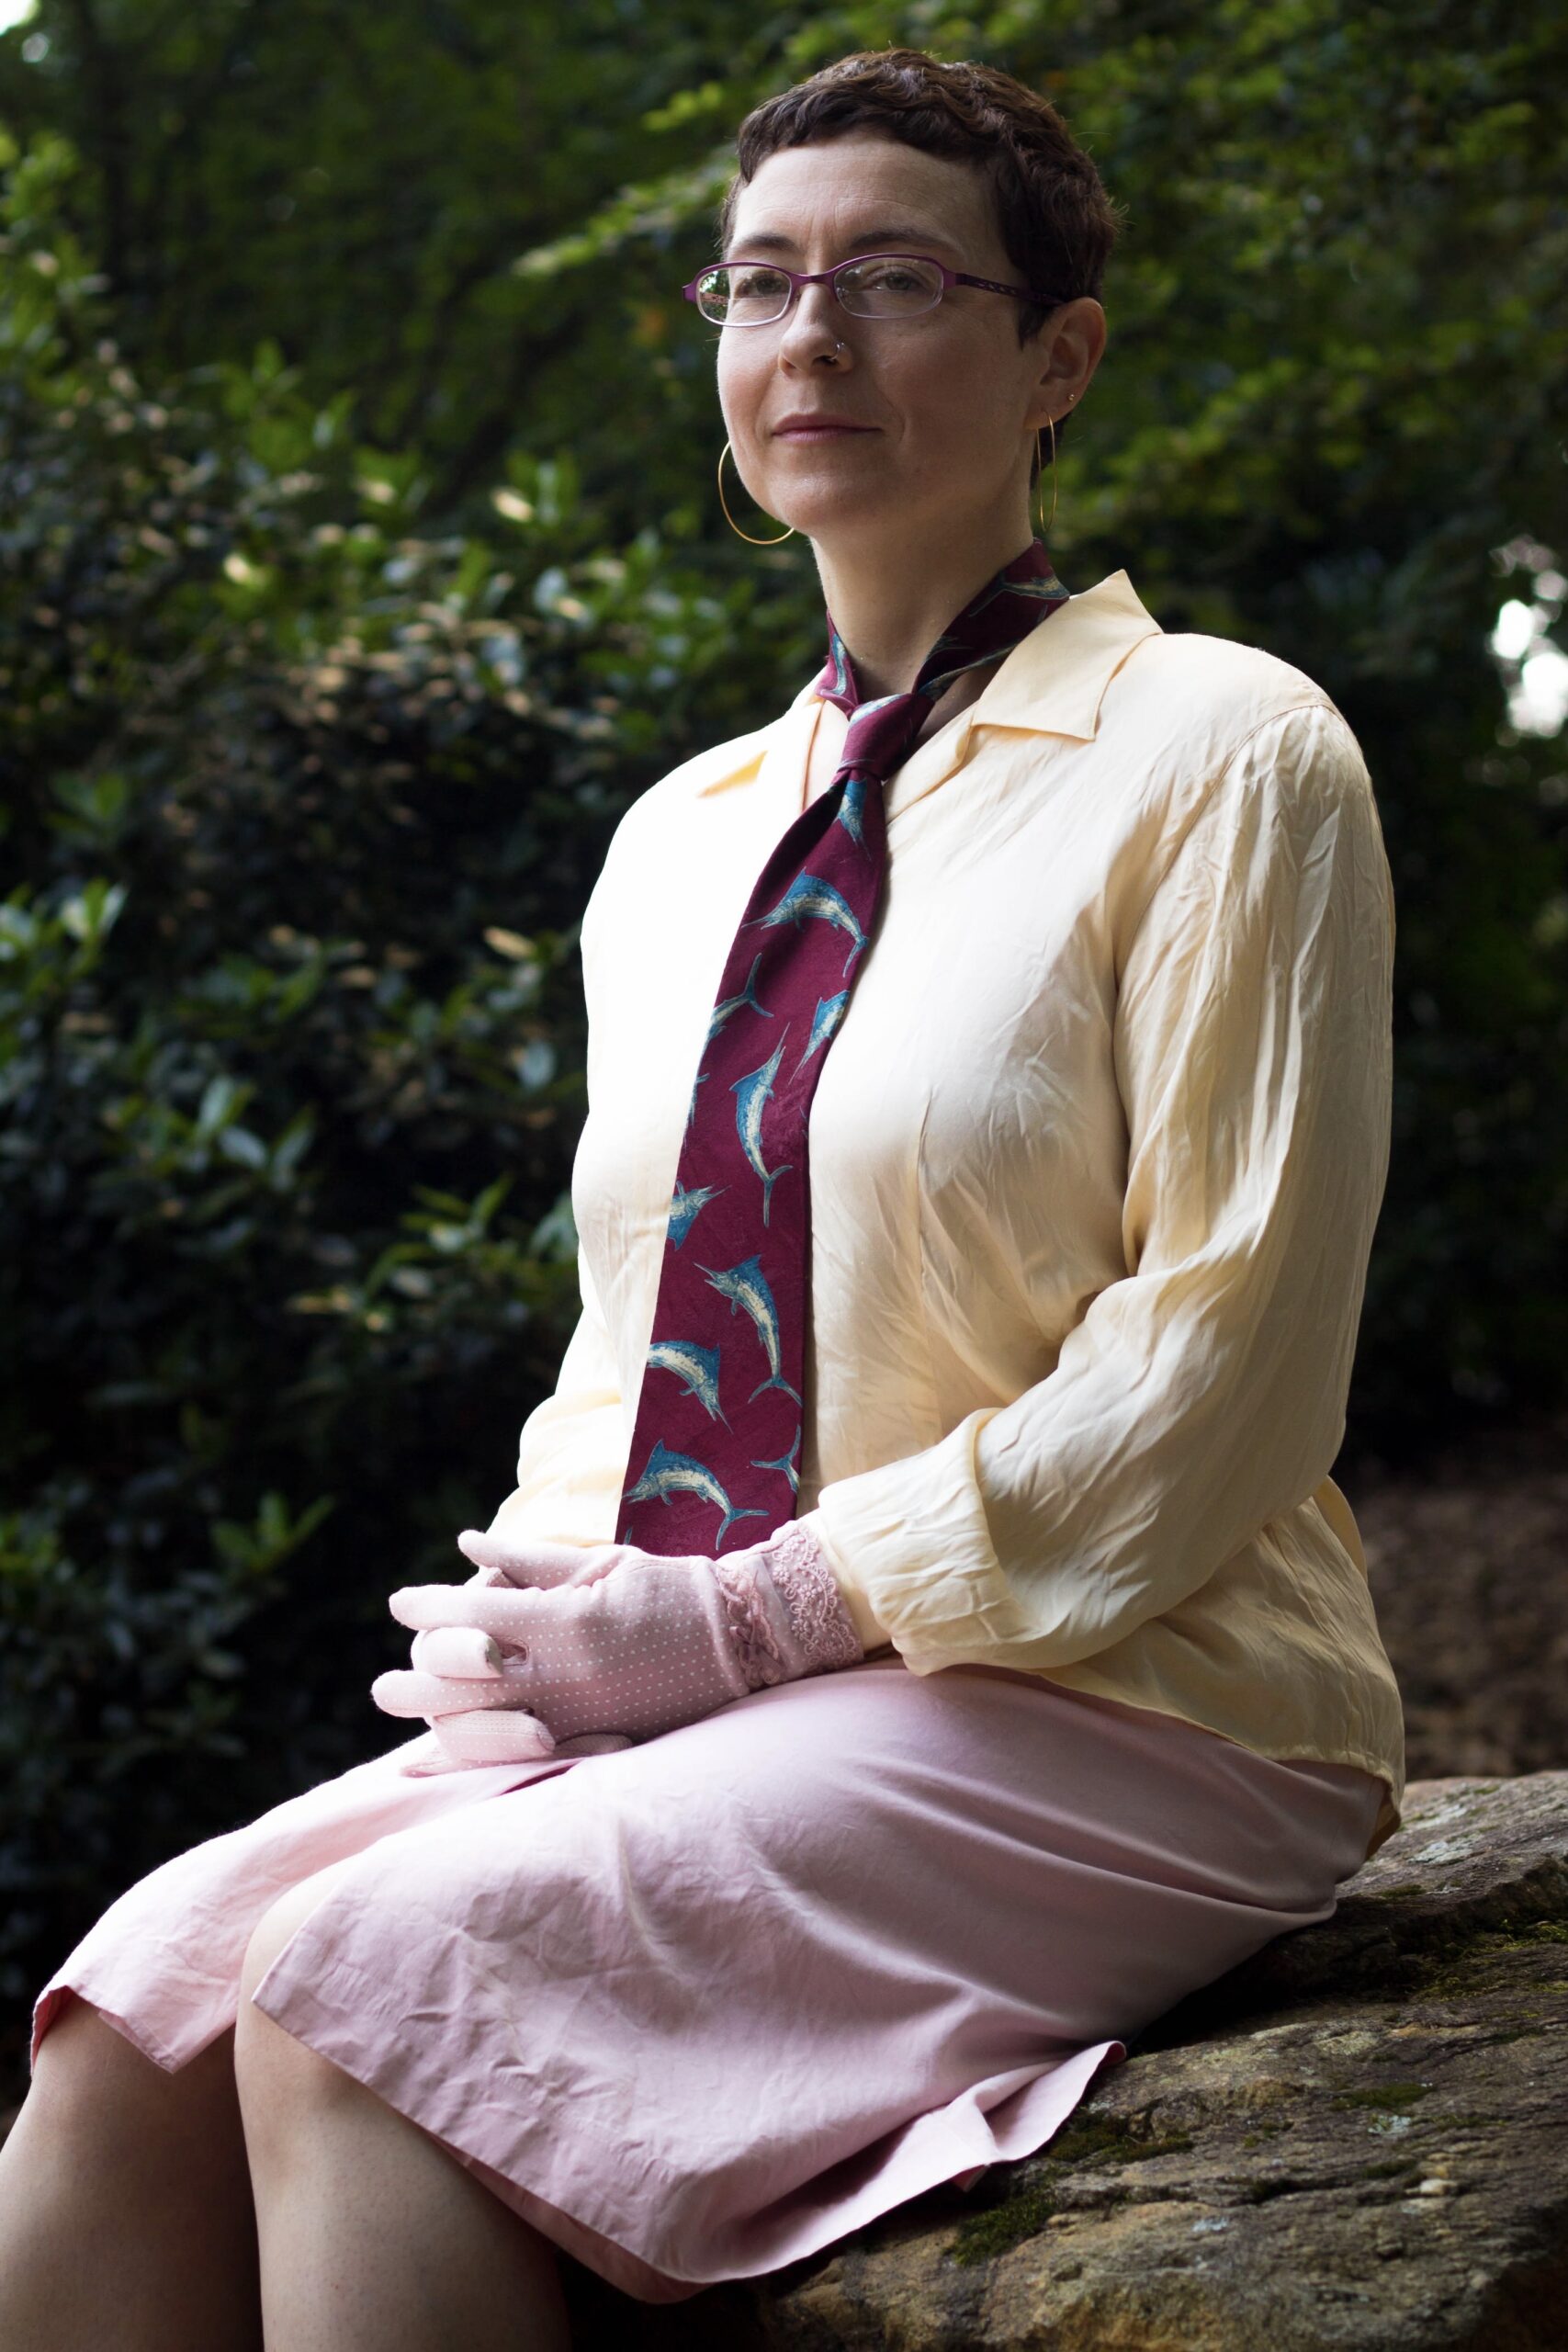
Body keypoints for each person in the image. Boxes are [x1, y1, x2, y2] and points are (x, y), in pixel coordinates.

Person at [0, 45, 1406, 2352]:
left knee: (370, 1996)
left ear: (1056, 357)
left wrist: (748, 1616)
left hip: (1129, 1691)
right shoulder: (680, 834)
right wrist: (556, 1629)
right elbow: (634, 1319)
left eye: (892, 279)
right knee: (129, 2017)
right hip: (712, 1693)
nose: (808, 339)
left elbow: (1223, 1369)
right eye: (757, 285)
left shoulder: (1226, 749)